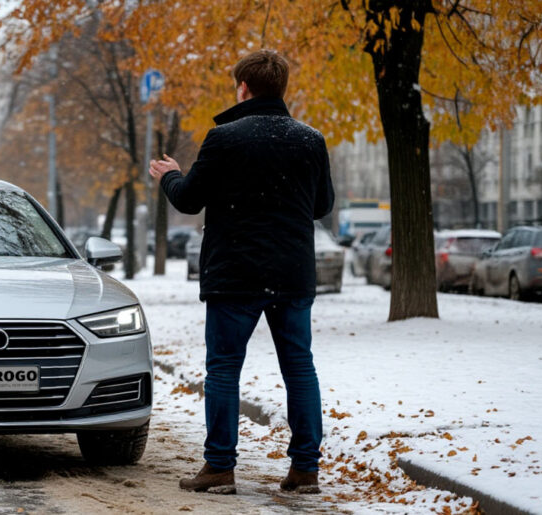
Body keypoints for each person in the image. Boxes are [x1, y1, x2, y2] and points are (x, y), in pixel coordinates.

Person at [148, 50, 334, 495]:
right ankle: (305, 469)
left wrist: (170, 175)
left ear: (244, 88)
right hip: (291, 275)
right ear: (281, 88)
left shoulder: (224, 138)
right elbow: (322, 206)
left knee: (225, 369)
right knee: (299, 368)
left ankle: (219, 468)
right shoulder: (311, 140)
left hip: (235, 274)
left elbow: (189, 199)